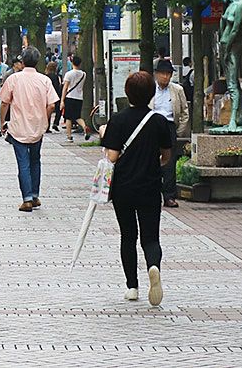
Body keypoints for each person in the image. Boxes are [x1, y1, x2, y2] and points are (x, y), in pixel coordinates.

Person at [99, 70, 172, 306]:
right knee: (151, 237)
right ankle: (153, 266)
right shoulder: (159, 121)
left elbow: (111, 156)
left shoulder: (118, 120)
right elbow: (166, 156)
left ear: (127, 92)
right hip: (150, 187)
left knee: (128, 236)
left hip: (123, 188)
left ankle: (132, 286)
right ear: (151, 93)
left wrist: (104, 137)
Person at [0, 46, 59, 212]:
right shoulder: (45, 80)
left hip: (18, 127)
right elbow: (52, 105)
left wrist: (2, 122)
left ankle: (26, 200)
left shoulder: (14, 79)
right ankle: (34, 195)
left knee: (23, 164)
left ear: (22, 61)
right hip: (38, 128)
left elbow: (4, 102)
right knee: (35, 161)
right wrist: (44, 120)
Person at [151, 59, 190, 209]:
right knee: (151, 160)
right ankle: (152, 193)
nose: (166, 77)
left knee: (169, 162)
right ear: (156, 75)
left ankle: (169, 196)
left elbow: (185, 112)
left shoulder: (177, 90)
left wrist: (178, 131)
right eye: (163, 74)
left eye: (169, 74)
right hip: (152, 125)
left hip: (169, 126)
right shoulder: (150, 88)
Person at [61, 55, 89, 142]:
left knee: (68, 118)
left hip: (70, 97)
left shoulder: (69, 74)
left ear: (72, 63)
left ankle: (69, 136)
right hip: (79, 98)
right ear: (80, 64)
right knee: (77, 117)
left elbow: (65, 88)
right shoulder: (84, 74)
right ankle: (85, 127)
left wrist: (62, 100)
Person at [45, 61, 64, 132]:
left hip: (47, 95)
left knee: (49, 109)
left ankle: (47, 127)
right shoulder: (58, 76)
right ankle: (56, 122)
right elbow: (59, 86)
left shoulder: (45, 76)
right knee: (59, 110)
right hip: (56, 95)